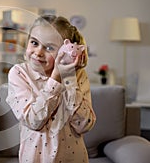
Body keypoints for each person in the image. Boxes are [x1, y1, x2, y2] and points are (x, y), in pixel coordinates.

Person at [6, 15, 96, 163]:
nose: (38, 52)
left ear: (64, 51)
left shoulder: (77, 76)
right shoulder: (19, 74)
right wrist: (55, 78)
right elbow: (33, 121)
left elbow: (84, 125)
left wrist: (68, 79)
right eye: (34, 43)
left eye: (49, 48)